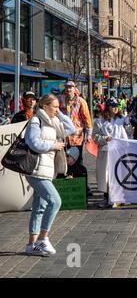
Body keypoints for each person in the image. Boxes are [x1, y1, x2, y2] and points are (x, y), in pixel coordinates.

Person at [24, 94, 75, 256]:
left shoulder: (53, 122)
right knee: (55, 201)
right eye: (54, 106)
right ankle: (42, 238)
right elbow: (33, 142)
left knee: (40, 207)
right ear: (44, 106)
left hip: (47, 170)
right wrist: (53, 145)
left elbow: (71, 128)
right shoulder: (35, 121)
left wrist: (59, 113)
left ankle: (31, 245)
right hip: (36, 170)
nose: (57, 109)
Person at [94, 98, 130, 208]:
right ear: (108, 107)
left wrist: (128, 124)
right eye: (113, 106)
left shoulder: (122, 119)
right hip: (105, 153)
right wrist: (105, 138)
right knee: (106, 176)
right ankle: (106, 198)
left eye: (117, 106)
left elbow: (128, 133)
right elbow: (95, 137)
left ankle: (121, 197)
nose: (116, 108)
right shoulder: (100, 121)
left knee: (119, 174)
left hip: (119, 152)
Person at [58, 81, 92, 168]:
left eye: (70, 87)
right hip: (64, 136)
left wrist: (89, 134)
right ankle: (66, 178)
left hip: (77, 137)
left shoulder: (81, 101)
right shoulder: (60, 100)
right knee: (64, 159)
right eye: (67, 87)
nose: (68, 89)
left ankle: (78, 178)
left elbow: (87, 118)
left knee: (77, 159)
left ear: (74, 88)